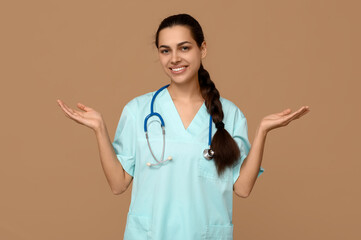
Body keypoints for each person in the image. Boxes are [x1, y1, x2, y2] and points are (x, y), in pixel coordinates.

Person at [57, 13, 310, 240]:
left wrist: (263, 130)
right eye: (165, 50)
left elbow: (242, 188)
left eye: (184, 48)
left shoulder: (230, 114)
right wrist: (100, 129)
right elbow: (118, 184)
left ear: (203, 49)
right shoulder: (137, 111)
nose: (174, 58)